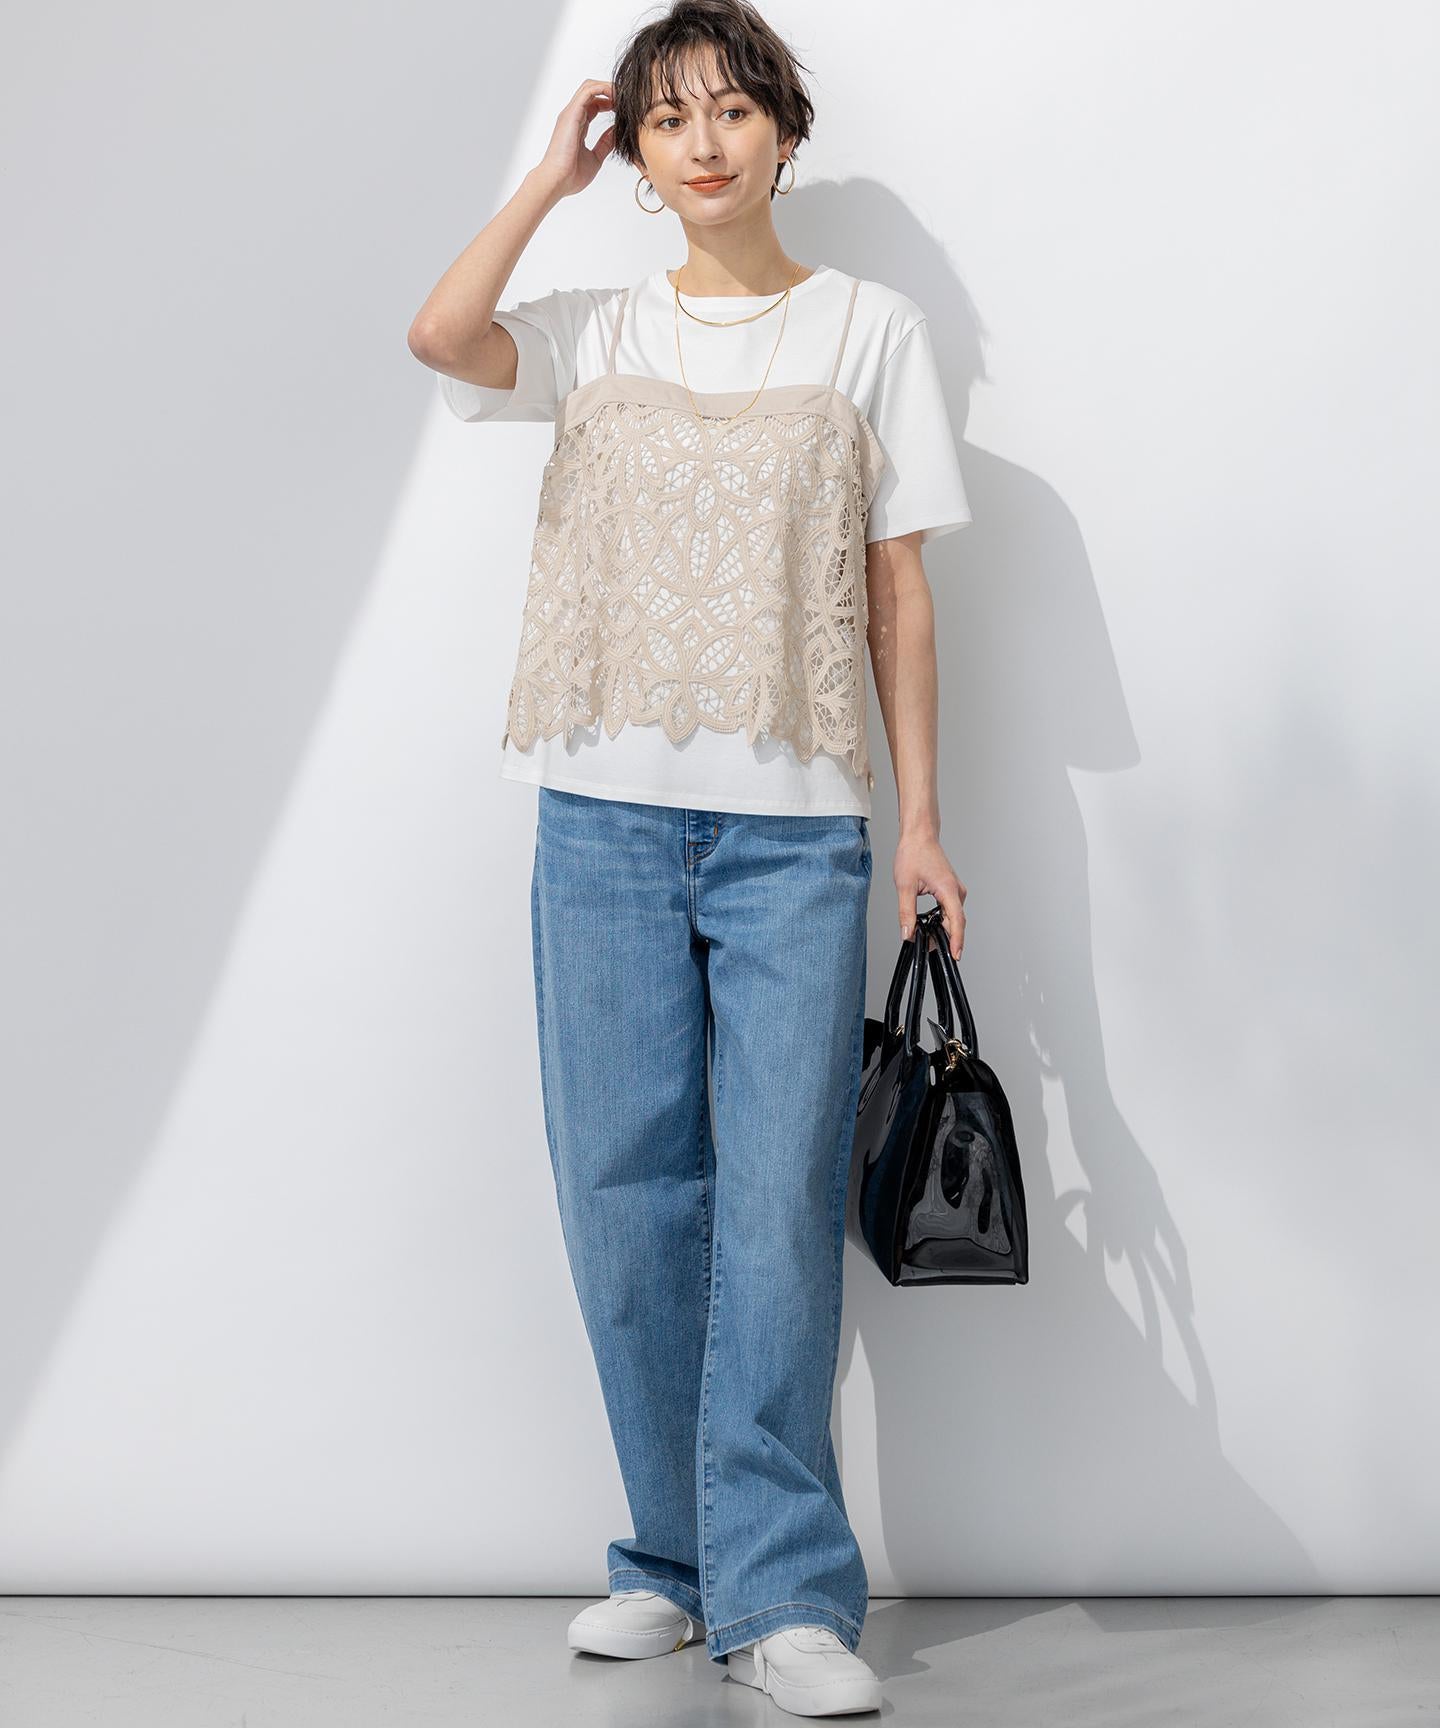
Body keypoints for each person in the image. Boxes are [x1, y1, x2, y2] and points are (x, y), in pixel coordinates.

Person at [408, 0, 970, 1715]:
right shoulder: (596, 326)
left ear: (785, 132)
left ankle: (786, 1592)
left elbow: (898, 592)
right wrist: (546, 181)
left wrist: (921, 823)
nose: (705, 141)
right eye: (668, 120)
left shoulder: (871, 329)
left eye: (733, 110)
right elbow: (440, 334)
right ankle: (673, 1558)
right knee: (625, 1199)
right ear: (638, 155)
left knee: (777, 1204)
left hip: (796, 836)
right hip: (597, 819)